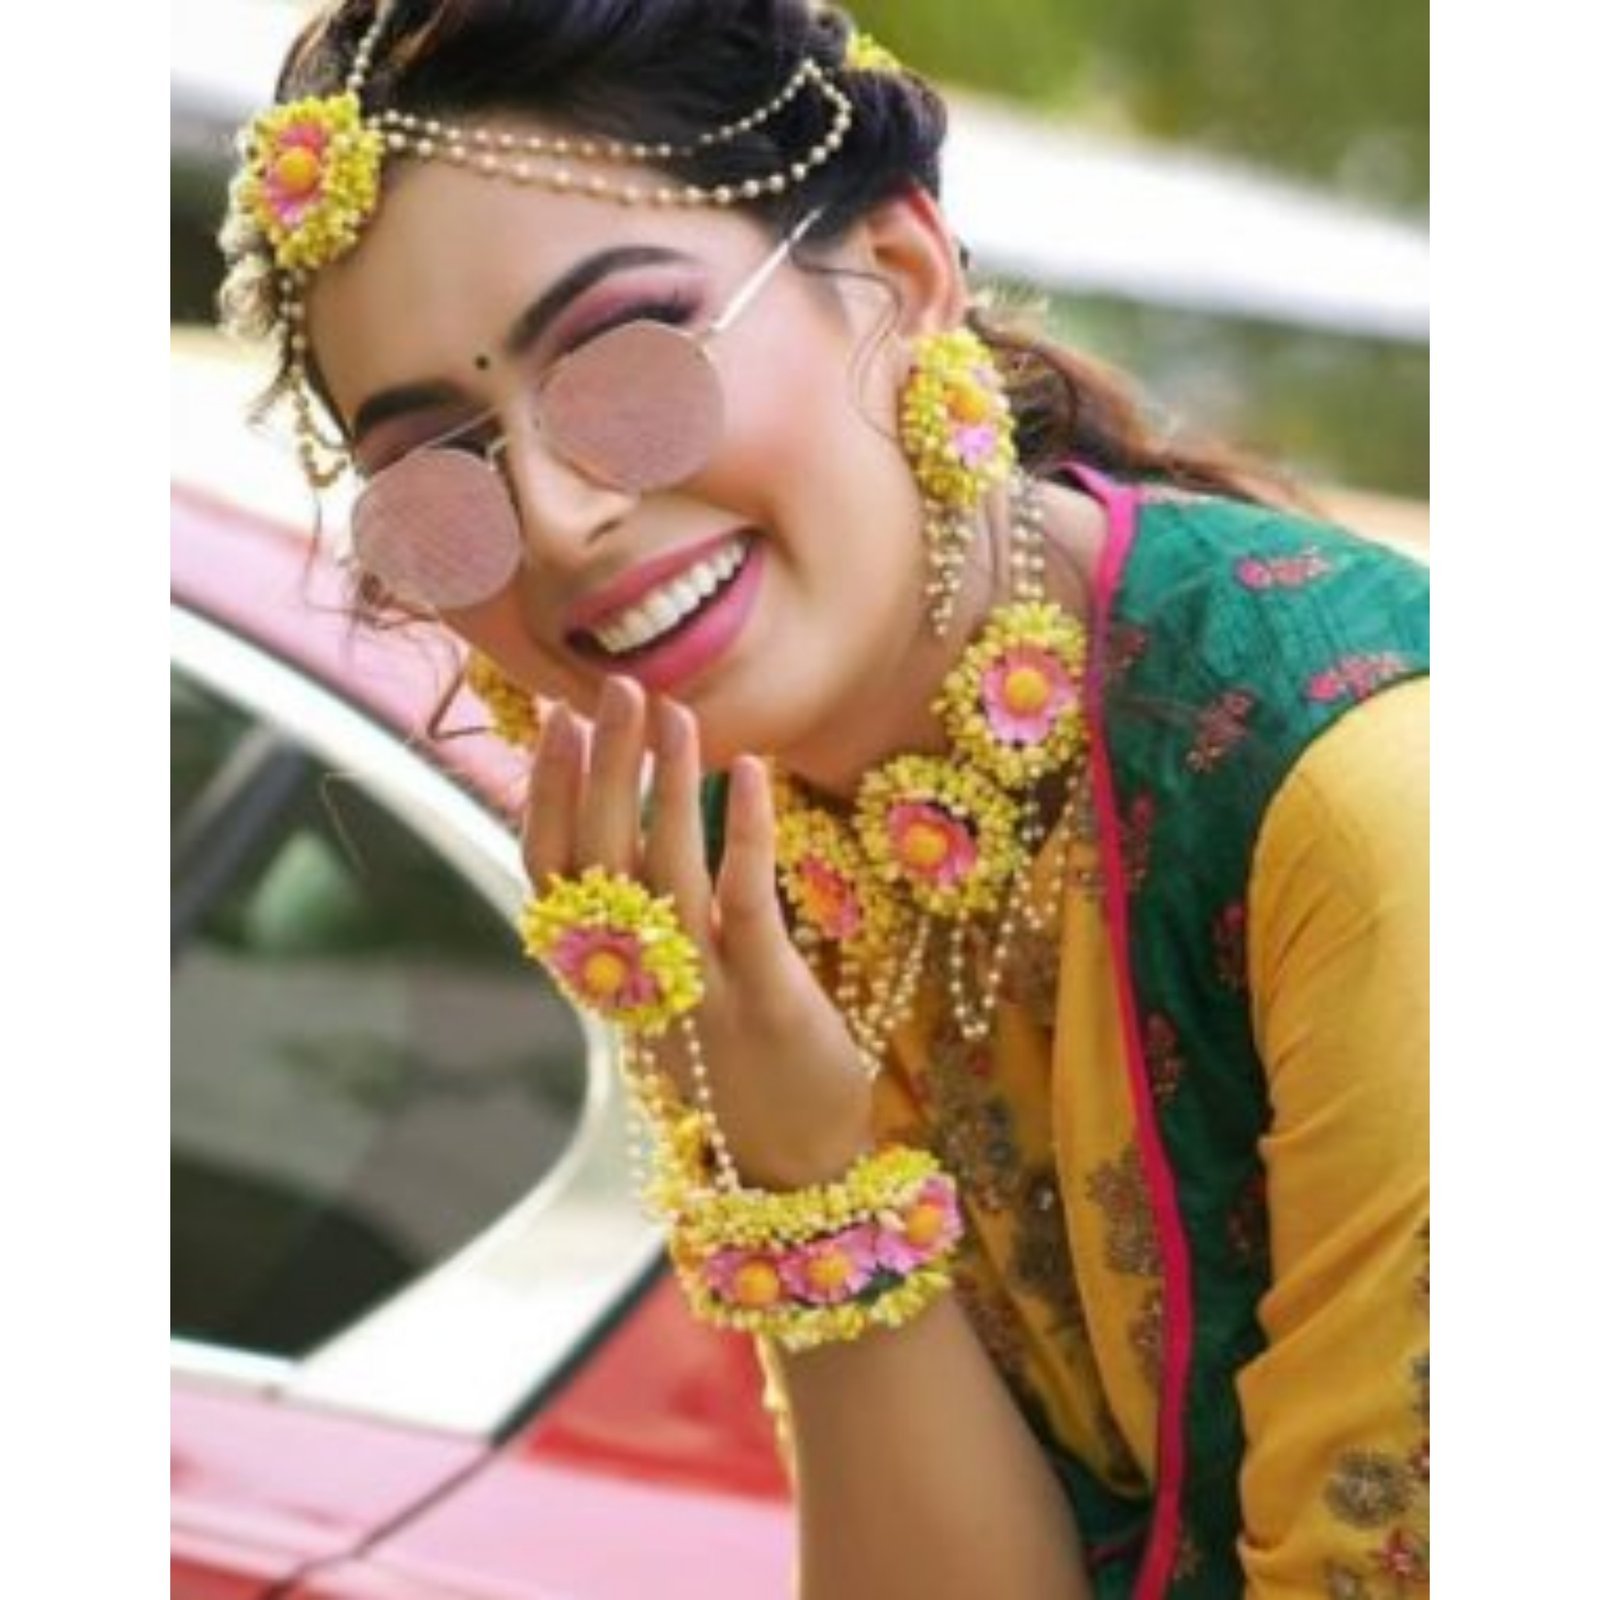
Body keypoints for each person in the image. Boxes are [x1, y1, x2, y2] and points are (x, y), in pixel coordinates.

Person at [217, 3, 1429, 1596]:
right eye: (440, 474)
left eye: (626, 361)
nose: (563, 521)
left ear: (904, 275)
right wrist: (800, 1174)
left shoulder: (1370, 808)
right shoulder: (730, 856)